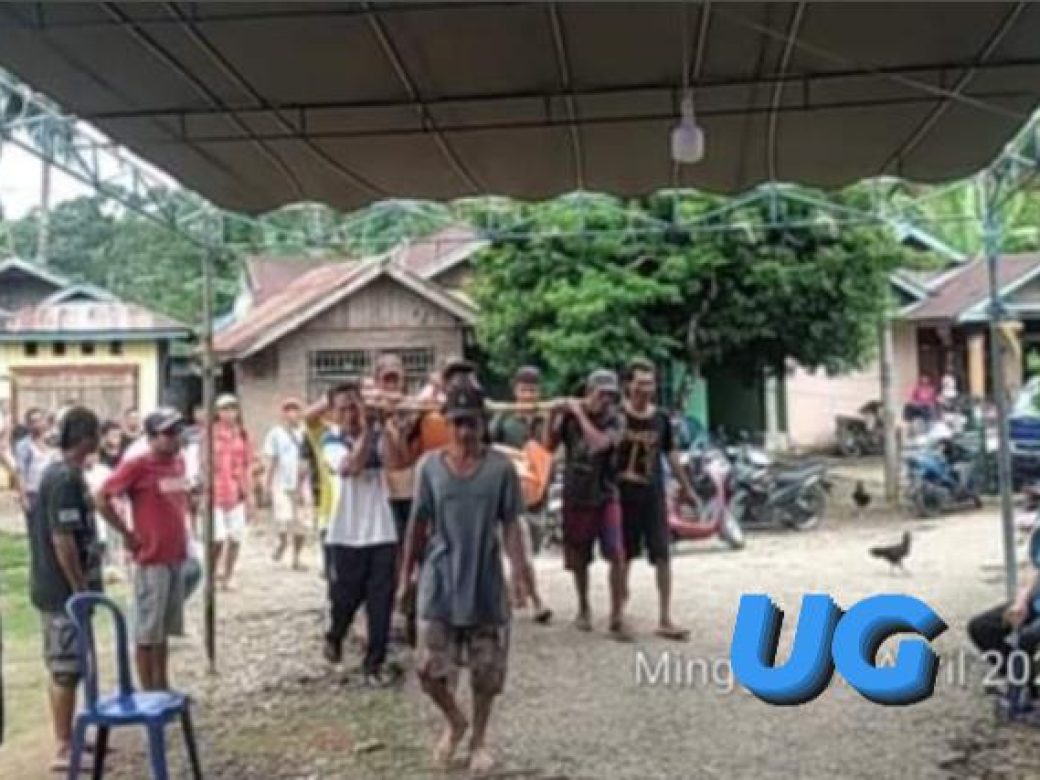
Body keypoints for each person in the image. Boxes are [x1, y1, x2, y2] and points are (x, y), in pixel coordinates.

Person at [398, 381, 526, 774]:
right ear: (447, 424)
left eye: (472, 422)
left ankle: (479, 739)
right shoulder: (430, 467)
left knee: (486, 670)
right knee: (428, 668)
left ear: (483, 423)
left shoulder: (501, 469)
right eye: (457, 423)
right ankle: (455, 721)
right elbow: (418, 524)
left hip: (484, 577)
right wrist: (406, 576)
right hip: (440, 577)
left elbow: (511, 525)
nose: (465, 431)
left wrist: (519, 573)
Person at [25, 407, 114, 772]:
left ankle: (71, 735)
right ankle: (62, 746)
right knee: (65, 668)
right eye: (96, 434)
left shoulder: (70, 474)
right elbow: (63, 540)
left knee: (75, 665)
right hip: (61, 592)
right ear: (87, 438)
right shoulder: (62, 478)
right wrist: (79, 589)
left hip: (68, 590)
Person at [98, 408, 192, 691]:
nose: (175, 438)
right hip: (151, 557)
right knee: (147, 630)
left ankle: (162, 685)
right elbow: (102, 497)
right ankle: (148, 689)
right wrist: (126, 533)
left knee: (163, 629)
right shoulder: (137, 465)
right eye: (168, 433)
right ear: (151, 437)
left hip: (176, 554)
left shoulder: (179, 462)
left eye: (177, 431)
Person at [319, 379, 400, 686]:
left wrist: (387, 426)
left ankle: (374, 664)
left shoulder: (377, 434)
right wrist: (368, 430)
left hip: (382, 530)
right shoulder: (331, 440)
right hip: (345, 532)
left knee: (381, 602)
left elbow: (395, 462)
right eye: (343, 409)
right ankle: (335, 634)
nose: (350, 415)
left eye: (355, 407)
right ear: (333, 413)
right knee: (345, 598)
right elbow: (351, 466)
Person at [545, 369, 629, 640]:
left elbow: (598, 444)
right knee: (579, 555)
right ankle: (583, 607)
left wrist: (579, 413)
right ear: (588, 393)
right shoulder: (570, 418)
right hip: (576, 493)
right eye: (601, 394)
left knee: (616, 552)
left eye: (610, 395)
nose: (606, 400)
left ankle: (616, 614)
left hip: (605, 492)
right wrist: (553, 415)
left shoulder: (617, 420)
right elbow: (549, 445)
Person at [618, 358, 698, 640]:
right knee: (624, 556)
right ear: (628, 385)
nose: (645, 389)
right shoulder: (617, 417)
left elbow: (670, 454)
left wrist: (686, 486)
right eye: (640, 383)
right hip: (622, 495)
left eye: (650, 383)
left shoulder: (661, 418)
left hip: (653, 495)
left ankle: (665, 618)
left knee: (662, 554)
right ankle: (618, 615)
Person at [490, 365, 552, 624]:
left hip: (537, 492)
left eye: (533, 390)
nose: (528, 395)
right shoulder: (504, 419)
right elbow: (490, 445)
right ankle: (535, 600)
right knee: (519, 548)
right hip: (508, 492)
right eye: (524, 390)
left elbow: (549, 451)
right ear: (515, 391)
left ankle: (519, 591)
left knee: (531, 546)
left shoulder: (545, 418)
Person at [211, 394, 253, 590]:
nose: (229, 413)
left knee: (236, 537)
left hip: (237, 492)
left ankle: (228, 575)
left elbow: (248, 465)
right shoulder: (209, 434)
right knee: (218, 537)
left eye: (232, 409)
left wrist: (250, 495)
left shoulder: (242, 434)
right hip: (214, 493)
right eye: (224, 409)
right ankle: (212, 573)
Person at [264, 397, 310, 570]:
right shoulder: (275, 434)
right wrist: (267, 483)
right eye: (288, 410)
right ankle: (282, 542)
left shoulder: (306, 432)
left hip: (303, 483)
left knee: (302, 523)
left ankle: (297, 557)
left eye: (295, 409)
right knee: (283, 519)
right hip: (282, 483)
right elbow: (272, 459)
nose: (292, 413)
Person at [15, 407, 58, 521]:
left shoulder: (54, 441)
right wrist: (23, 498)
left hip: (54, 492)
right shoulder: (24, 445)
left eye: (40, 420)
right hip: (34, 494)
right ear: (28, 425)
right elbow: (20, 473)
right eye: (33, 421)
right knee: (37, 528)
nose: (37, 424)